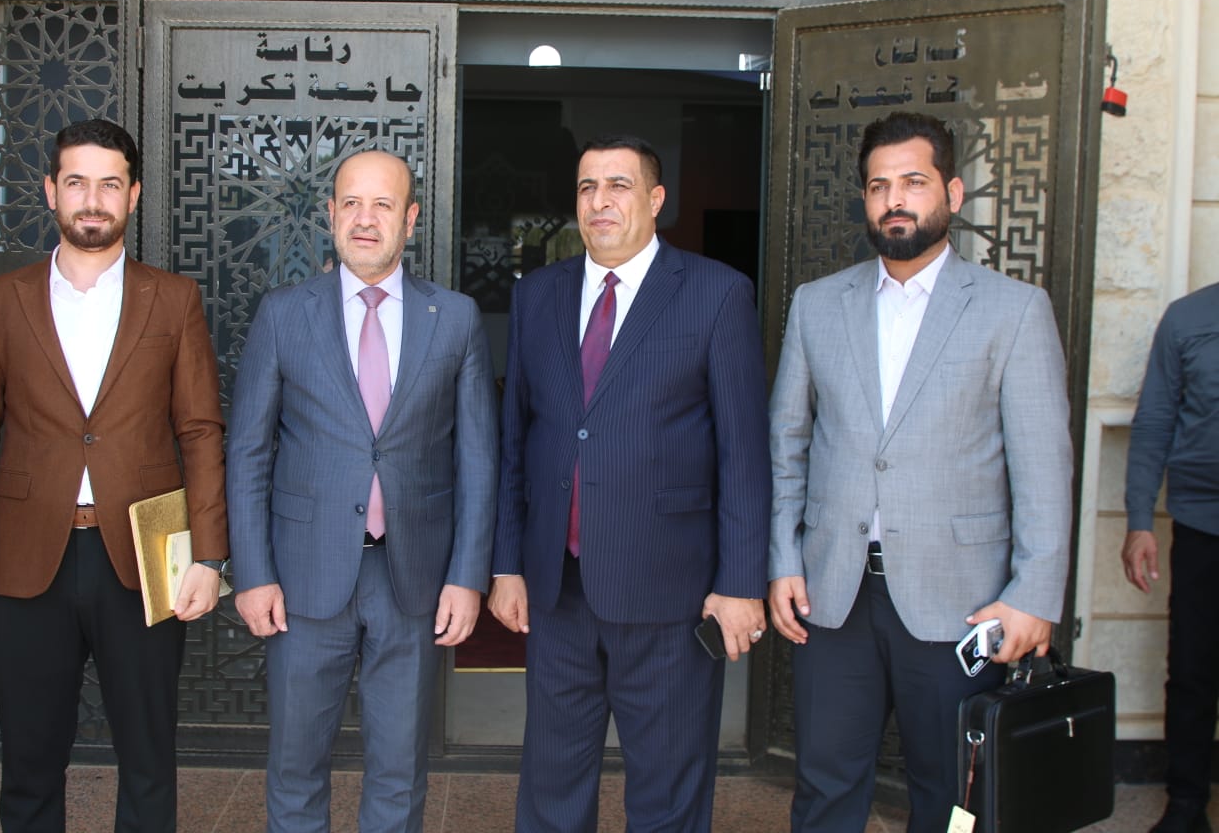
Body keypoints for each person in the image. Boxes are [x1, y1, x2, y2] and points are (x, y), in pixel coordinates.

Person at [767, 111, 1074, 833]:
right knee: (824, 785)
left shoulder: (1013, 311)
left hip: (961, 600)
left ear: (953, 193)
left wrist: (1034, 594)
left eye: (913, 181)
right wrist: (783, 559)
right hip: (834, 594)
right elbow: (787, 444)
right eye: (879, 186)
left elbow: (1043, 465)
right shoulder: (817, 305)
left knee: (953, 795)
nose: (894, 200)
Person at [0, 118, 229, 833]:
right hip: (26, 559)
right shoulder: (0, 300)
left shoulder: (173, 299)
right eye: (76, 183)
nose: (92, 200)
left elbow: (199, 432)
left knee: (149, 759)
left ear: (133, 195)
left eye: (108, 184)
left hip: (145, 559)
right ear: (51, 191)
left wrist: (209, 557)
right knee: (30, 762)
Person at [489, 134, 771, 832]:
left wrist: (741, 583)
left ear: (655, 199)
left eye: (619, 185)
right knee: (551, 787)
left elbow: (743, 454)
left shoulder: (716, 293)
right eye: (587, 187)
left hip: (671, 594)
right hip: (558, 589)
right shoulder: (537, 295)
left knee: (667, 796)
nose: (600, 201)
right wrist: (506, 565)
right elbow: (515, 441)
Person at [227, 149, 498, 833]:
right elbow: (249, 453)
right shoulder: (283, 314)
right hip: (303, 576)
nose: (365, 218)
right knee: (295, 764)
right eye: (351, 203)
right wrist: (252, 574)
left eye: (382, 204)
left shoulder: (455, 317)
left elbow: (477, 459)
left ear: (410, 219)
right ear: (330, 215)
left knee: (399, 769)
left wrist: (467, 577)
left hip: (413, 578)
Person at [1122, 281, 1219, 833]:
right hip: (1203, 525)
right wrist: (1139, 521)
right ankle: (1185, 804)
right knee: (1191, 671)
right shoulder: (1187, 319)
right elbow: (1155, 420)